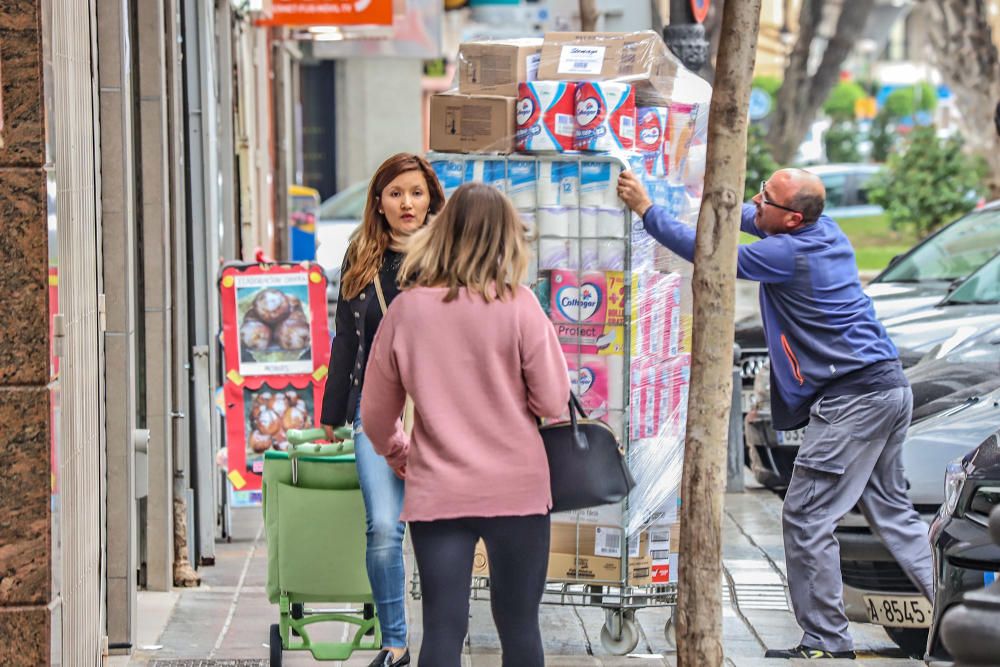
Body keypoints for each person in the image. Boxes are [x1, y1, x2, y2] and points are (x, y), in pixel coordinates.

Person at [618, 168, 934, 660]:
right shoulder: (821, 229)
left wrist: (647, 211)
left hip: (853, 401)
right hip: (886, 388)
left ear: (790, 219)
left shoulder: (789, 253)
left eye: (764, 197)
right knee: (894, 515)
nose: (753, 201)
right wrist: (687, 199)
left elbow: (714, 255)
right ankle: (967, 617)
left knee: (807, 515)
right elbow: (736, 217)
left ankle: (827, 642)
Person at [360, 183, 570, 667]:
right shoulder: (520, 306)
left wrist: (400, 455)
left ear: (442, 232)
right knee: (519, 629)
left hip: (438, 491)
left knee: (442, 629)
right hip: (517, 491)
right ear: (506, 239)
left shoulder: (406, 311)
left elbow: (375, 414)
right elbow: (553, 400)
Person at [321, 152, 445, 667]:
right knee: (383, 527)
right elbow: (346, 341)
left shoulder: (449, 254)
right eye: (396, 193)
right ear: (379, 202)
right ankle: (395, 643)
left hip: (441, 413)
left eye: (416, 192)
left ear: (431, 198)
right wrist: (331, 415)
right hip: (373, 414)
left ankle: (441, 639)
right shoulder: (362, 255)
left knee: (440, 533)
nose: (407, 203)